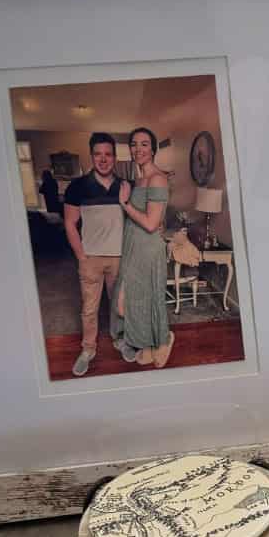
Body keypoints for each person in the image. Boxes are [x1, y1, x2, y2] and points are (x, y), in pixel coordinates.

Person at [62, 134, 127, 376]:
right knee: (90, 308)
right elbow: (70, 223)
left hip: (119, 257)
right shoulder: (77, 187)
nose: (103, 159)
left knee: (120, 305)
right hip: (91, 258)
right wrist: (81, 256)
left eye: (108, 154)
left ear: (114, 157)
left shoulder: (125, 186)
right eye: (98, 154)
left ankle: (120, 339)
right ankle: (88, 349)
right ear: (92, 156)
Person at [111, 127, 174, 367]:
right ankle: (147, 342)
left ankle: (164, 339)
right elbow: (155, 216)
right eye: (134, 144)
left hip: (147, 248)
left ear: (154, 148)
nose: (138, 149)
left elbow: (150, 223)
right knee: (131, 300)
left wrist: (125, 204)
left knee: (140, 298)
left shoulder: (157, 178)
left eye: (144, 144)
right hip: (133, 245)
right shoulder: (139, 178)